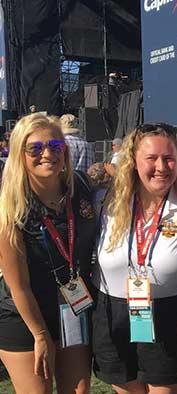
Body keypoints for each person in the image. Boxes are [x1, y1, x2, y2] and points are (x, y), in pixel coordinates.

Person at [91, 123, 177, 393]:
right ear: (133, 162)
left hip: (170, 313)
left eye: (169, 158)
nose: (162, 167)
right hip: (112, 312)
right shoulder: (106, 202)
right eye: (151, 159)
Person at [0, 114, 96, 393]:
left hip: (72, 310)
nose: (47, 154)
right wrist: (40, 335)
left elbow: (115, 173)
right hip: (25, 318)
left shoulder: (80, 187)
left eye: (55, 146)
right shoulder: (11, 208)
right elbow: (18, 286)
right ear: (20, 153)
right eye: (35, 148)